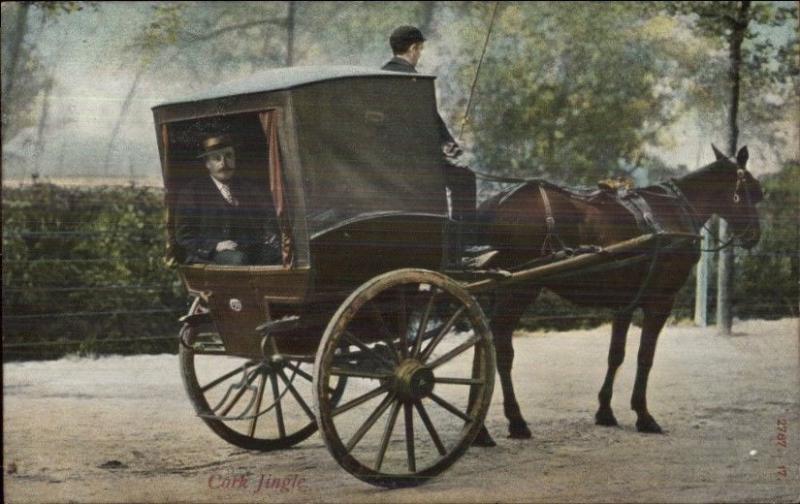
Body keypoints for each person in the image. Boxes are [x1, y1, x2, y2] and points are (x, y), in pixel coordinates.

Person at [382, 25, 478, 263]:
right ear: (413, 48)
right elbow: (428, 121)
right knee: (465, 178)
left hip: (390, 162)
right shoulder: (414, 80)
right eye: (420, 49)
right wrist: (451, 150)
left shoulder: (381, 77)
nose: (420, 54)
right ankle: (463, 244)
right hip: (415, 164)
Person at [175, 134, 282, 265]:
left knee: (280, 255)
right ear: (207, 164)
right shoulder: (192, 192)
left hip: (247, 249)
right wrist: (215, 246)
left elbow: (267, 218)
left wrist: (270, 235)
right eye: (216, 158)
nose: (224, 163)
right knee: (239, 260)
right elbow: (184, 236)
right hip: (210, 255)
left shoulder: (248, 188)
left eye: (229, 156)